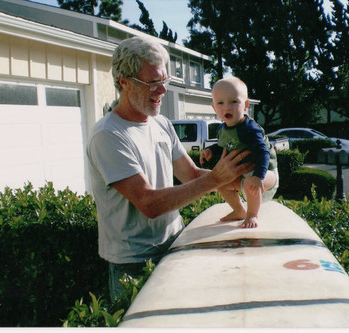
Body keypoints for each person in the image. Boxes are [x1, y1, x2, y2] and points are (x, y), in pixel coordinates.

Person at [86, 36, 253, 302]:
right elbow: (148, 203)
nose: (162, 91)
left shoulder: (160, 123)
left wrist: (246, 183)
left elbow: (191, 175)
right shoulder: (108, 135)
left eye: (164, 81)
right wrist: (216, 180)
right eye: (152, 83)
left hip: (174, 243)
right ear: (124, 82)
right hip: (134, 264)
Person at [200, 77, 279, 228]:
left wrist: (258, 176)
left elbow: (264, 153)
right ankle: (239, 211)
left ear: (246, 105)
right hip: (245, 177)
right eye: (220, 103)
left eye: (233, 102)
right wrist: (210, 150)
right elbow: (224, 144)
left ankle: (252, 215)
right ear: (214, 107)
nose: (227, 107)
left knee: (250, 181)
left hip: (266, 175)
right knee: (221, 183)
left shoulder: (250, 129)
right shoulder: (222, 129)